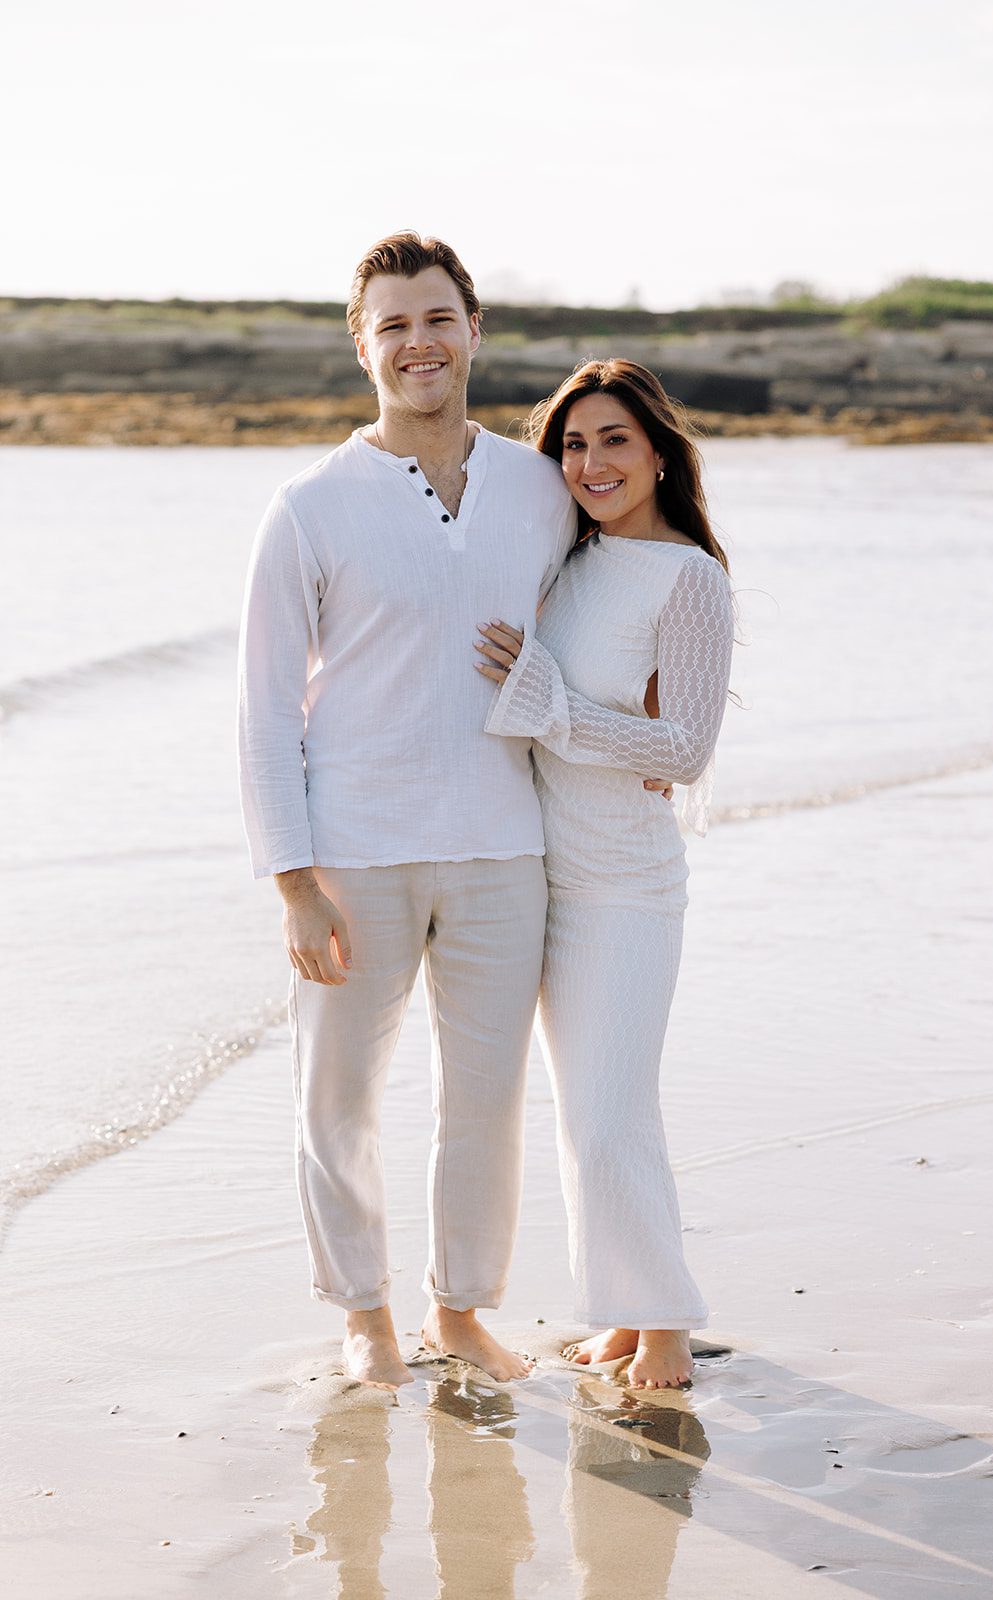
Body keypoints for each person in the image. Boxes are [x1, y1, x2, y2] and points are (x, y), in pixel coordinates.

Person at [237, 233, 576, 1389]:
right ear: (361, 346)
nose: (417, 342)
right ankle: (364, 1314)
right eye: (392, 324)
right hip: (353, 854)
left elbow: (608, 611)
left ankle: (461, 1307)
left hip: (503, 843)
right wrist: (291, 877)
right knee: (338, 1100)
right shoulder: (310, 506)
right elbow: (263, 705)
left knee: (484, 1097)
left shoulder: (540, 486)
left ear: (472, 330)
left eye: (436, 318)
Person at [474, 360, 733, 1389]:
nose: (589, 462)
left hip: (626, 885)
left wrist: (549, 704)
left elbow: (682, 750)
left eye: (612, 440)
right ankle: (626, 1312)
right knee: (584, 1109)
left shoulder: (688, 578)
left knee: (609, 1109)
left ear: (658, 452)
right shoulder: (565, 564)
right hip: (546, 878)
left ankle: (664, 1323)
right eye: (572, 444)